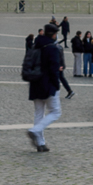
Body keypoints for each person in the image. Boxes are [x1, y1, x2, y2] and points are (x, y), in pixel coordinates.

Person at [27, 23, 63, 151]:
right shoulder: (52, 48)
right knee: (55, 112)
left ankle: (40, 143)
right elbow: (54, 69)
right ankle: (35, 130)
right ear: (53, 34)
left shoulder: (35, 44)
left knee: (39, 113)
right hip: (47, 83)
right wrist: (56, 84)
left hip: (35, 82)